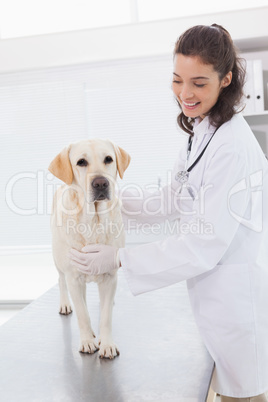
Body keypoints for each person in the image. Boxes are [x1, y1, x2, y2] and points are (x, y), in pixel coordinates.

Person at [69, 24, 268, 401]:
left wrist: (121, 257)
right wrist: (110, 199)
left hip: (236, 301)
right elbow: (174, 198)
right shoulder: (203, 132)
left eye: (198, 82)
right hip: (214, 297)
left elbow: (202, 244)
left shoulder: (232, 146)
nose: (185, 93)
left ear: (226, 80)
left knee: (243, 397)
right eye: (177, 80)